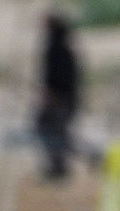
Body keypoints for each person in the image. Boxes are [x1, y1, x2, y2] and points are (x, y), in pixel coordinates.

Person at [36, 13, 80, 182]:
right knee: (57, 132)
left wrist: (50, 94)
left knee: (53, 132)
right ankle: (57, 167)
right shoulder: (66, 49)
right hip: (67, 98)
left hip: (60, 99)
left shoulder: (55, 49)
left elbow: (55, 77)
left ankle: (58, 168)